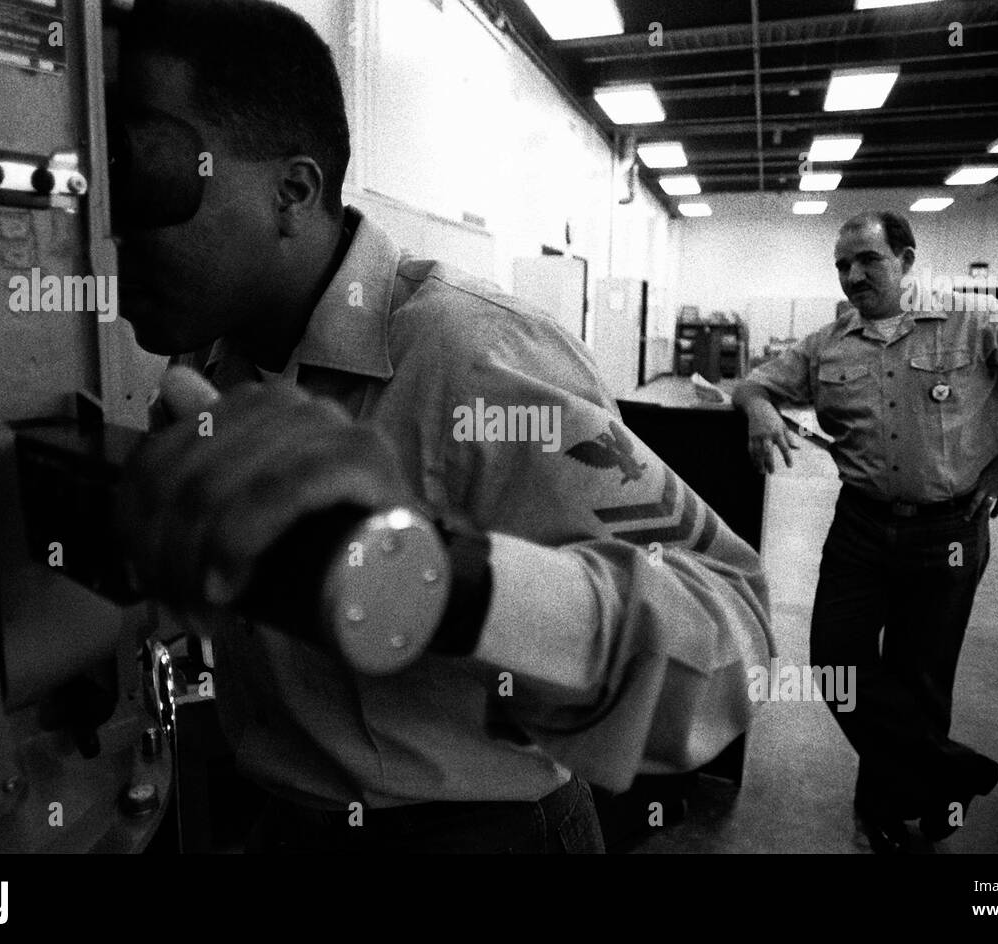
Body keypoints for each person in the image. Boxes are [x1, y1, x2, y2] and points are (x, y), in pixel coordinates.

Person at [112, 0, 774, 854]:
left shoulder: (472, 355)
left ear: (292, 192)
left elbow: (734, 634)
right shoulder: (215, 370)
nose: (121, 234)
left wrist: (432, 576)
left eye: (155, 178)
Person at [732, 211, 998, 853]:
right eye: (843, 265)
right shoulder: (825, 346)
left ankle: (890, 810)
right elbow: (752, 385)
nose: (853, 275)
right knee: (837, 662)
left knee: (920, 676)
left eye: (868, 259)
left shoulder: (977, 320)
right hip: (861, 526)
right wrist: (760, 409)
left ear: (905, 258)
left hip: (949, 529)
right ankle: (953, 772)